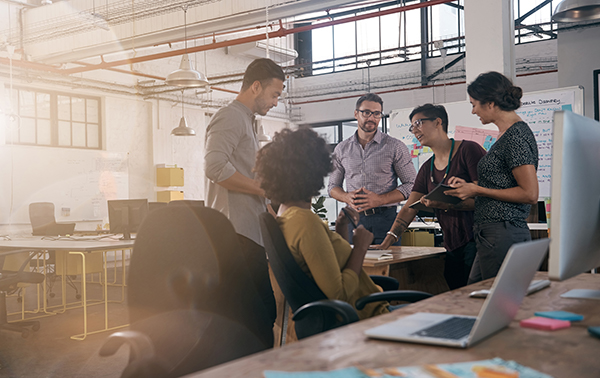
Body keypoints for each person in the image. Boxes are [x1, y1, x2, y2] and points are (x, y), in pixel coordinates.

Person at [254, 128, 389, 320]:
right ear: (314, 171)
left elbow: (330, 268)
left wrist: (341, 230)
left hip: (356, 315)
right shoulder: (304, 221)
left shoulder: (286, 216)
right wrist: (360, 248)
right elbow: (339, 295)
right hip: (368, 316)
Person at [375, 104, 486, 289]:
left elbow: (486, 196)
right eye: (412, 127)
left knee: (475, 296)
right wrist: (387, 240)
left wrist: (446, 204)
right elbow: (409, 208)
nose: (414, 130)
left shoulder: (469, 150)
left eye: (418, 123)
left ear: (438, 122)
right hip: (452, 244)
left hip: (479, 240)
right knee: (455, 294)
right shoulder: (427, 168)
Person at [445, 71, 539, 284]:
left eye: (474, 104)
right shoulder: (506, 135)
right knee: (477, 295)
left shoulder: (515, 137)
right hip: (493, 233)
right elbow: (503, 182)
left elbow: (530, 193)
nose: (473, 111)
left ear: (490, 103)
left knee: (494, 301)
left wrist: (477, 190)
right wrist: (472, 185)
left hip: (503, 231)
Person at [204, 58, 285, 246]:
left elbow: (251, 182)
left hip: (249, 232)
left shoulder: (247, 120)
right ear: (256, 87)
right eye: (274, 95)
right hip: (235, 233)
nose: (275, 103)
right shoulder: (230, 116)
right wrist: (265, 189)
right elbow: (214, 167)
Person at [328, 93, 416, 245]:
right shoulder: (341, 149)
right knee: (353, 267)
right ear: (356, 114)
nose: (372, 118)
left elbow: (412, 184)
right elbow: (332, 187)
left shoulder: (395, 146)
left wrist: (380, 199)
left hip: (385, 219)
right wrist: (346, 197)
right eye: (366, 112)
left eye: (377, 114)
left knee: (389, 266)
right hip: (352, 219)